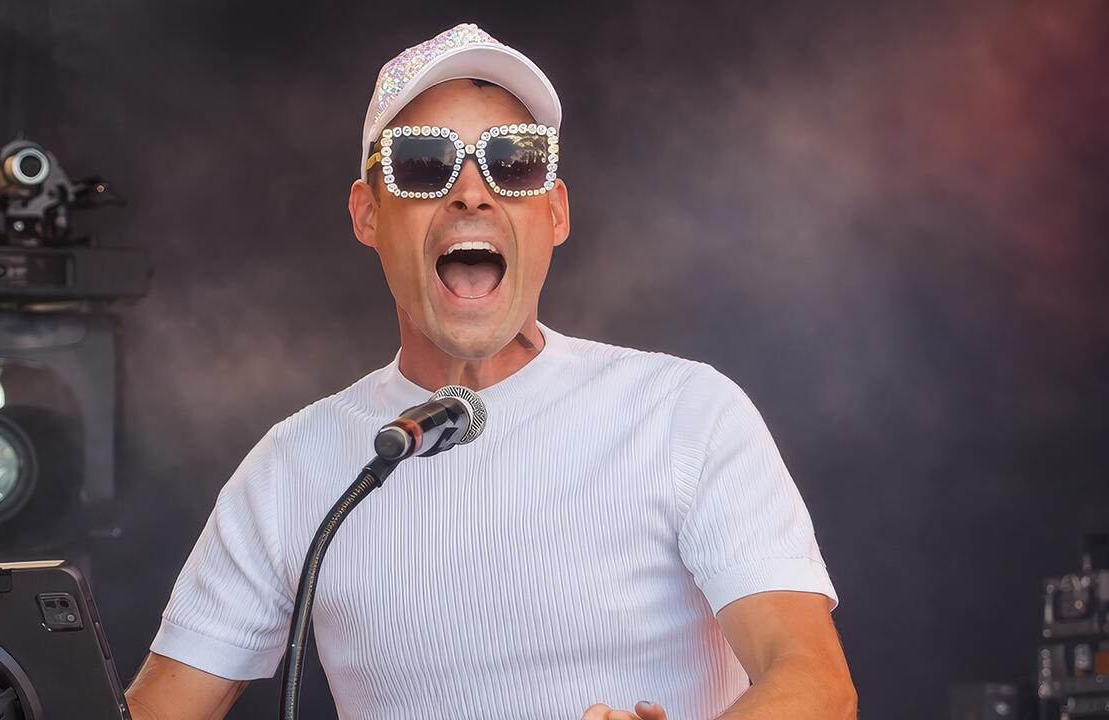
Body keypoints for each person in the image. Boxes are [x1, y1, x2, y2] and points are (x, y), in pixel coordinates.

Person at [124, 23, 857, 720]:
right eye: (421, 164)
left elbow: (816, 684)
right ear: (367, 214)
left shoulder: (684, 413)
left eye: (514, 161)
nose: (471, 192)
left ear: (555, 212)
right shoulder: (294, 465)